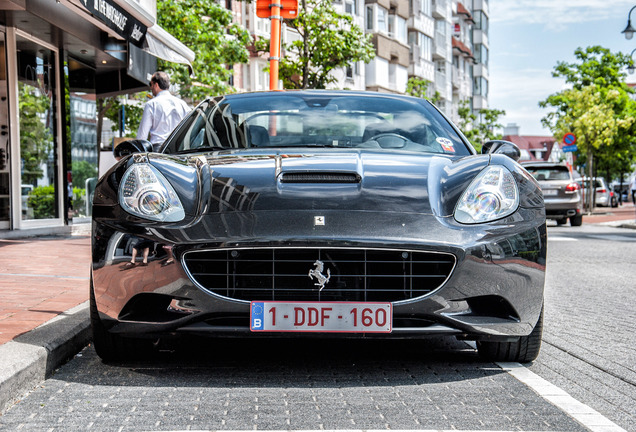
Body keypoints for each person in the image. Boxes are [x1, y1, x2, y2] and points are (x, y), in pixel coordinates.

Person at [137, 71, 190, 151]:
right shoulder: (183, 104)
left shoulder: (151, 104)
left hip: (159, 150)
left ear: (156, 85)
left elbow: (142, 136)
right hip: (179, 150)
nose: (150, 88)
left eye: (150, 84)